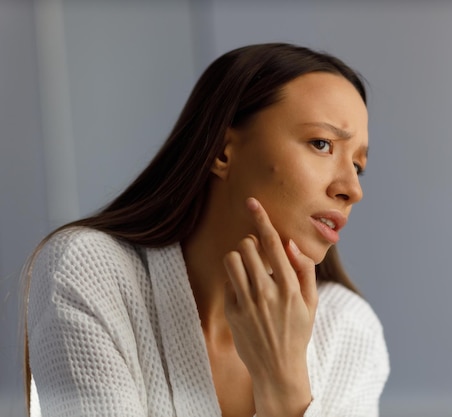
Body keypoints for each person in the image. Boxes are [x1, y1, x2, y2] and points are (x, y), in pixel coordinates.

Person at [25, 42, 389, 417]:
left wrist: (285, 385)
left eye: (358, 166)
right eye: (322, 144)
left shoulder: (347, 329)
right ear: (221, 151)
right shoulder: (90, 271)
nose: (352, 189)